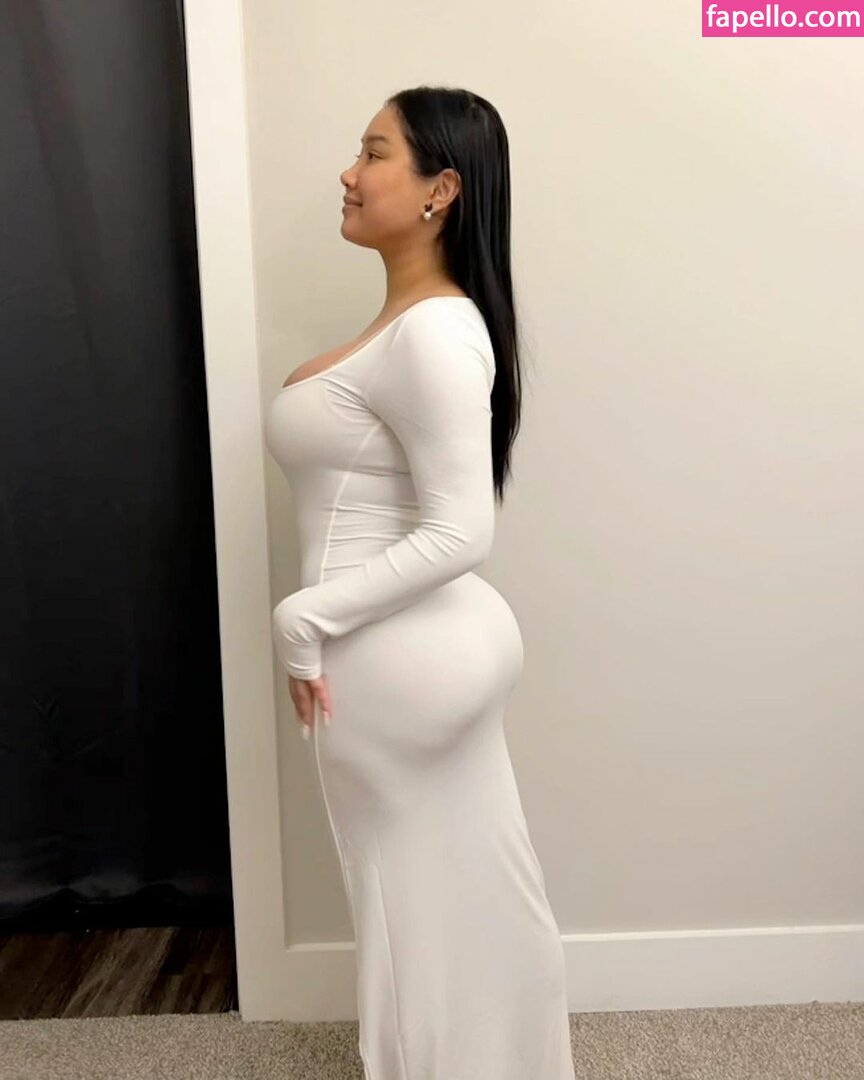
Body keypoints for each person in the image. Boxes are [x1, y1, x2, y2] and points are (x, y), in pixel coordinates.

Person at [265, 86, 576, 1080]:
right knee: (472, 895)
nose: (349, 174)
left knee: (411, 916)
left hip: (394, 657)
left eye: (374, 153)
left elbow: (460, 528)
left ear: (441, 189)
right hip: (427, 650)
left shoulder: (434, 332)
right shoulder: (420, 324)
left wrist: (304, 616)